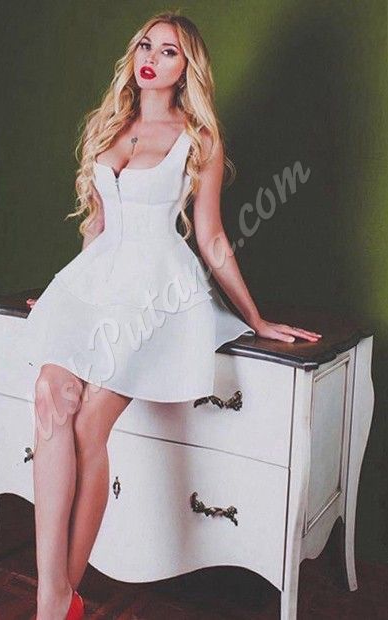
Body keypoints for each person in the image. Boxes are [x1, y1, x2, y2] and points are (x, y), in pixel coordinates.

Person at [22, 10, 322, 619]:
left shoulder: (197, 138)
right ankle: (54, 596)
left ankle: (54, 602)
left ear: (187, 69)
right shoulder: (108, 127)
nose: (151, 58)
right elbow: (97, 229)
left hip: (159, 296)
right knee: (50, 399)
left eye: (169, 51)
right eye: (145, 45)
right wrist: (63, 299)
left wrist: (257, 319)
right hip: (96, 289)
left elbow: (211, 238)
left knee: (88, 427)